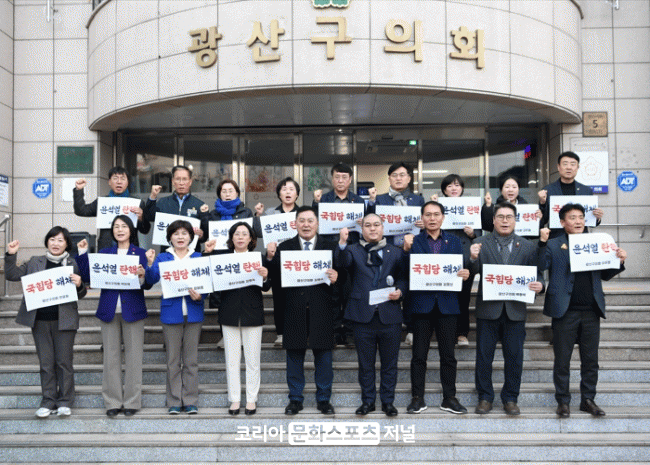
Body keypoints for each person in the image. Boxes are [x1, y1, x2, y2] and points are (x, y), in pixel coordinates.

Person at [537, 204, 626, 418]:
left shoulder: (596, 243)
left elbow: (605, 274)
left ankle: (588, 399)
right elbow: (539, 265)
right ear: (562, 222)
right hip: (564, 311)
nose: (578, 221)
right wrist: (541, 243)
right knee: (562, 360)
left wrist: (619, 261)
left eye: (580, 217)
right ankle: (563, 401)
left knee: (590, 360)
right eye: (572, 217)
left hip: (591, 310)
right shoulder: (554, 244)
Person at [469, 202, 544, 416]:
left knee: (514, 358)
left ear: (515, 220)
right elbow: (470, 271)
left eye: (509, 217)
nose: (504, 221)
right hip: (488, 310)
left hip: (515, 311)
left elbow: (536, 273)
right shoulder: (479, 243)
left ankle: (510, 398)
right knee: (484, 357)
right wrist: (472, 258)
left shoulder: (527, 246)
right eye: (500, 217)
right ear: (493, 220)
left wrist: (540, 285)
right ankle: (485, 397)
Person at [75, 216, 152, 417]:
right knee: (110, 358)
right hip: (109, 309)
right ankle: (112, 402)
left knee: (134, 358)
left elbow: (147, 284)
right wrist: (83, 253)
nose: (120, 230)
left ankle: (132, 401)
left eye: (124, 226)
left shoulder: (140, 253)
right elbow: (89, 277)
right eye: (116, 227)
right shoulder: (104, 253)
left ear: (131, 230)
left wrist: (143, 274)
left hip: (133, 310)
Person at [5, 227, 86, 418]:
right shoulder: (35, 261)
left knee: (64, 362)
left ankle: (65, 401)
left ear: (67, 244)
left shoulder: (72, 264)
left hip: (64, 321)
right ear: (47, 242)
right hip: (40, 320)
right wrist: (11, 255)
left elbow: (81, 293)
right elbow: (12, 274)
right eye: (52, 239)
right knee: (46, 363)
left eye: (60, 240)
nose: (55, 243)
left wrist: (79, 284)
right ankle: (48, 401)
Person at [265, 206, 339, 416]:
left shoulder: (330, 247)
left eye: (310, 221)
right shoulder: (285, 247)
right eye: (302, 221)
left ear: (318, 223)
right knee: (294, 357)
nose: (306, 225)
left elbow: (343, 279)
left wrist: (337, 278)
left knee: (324, 357)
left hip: (322, 309)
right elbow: (274, 280)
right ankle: (295, 399)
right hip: (293, 309)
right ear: (295, 224)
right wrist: (269, 258)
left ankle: (323, 399)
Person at [403, 201, 471, 415]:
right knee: (418, 356)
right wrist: (405, 250)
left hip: (447, 304)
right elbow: (404, 271)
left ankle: (449, 398)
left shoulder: (455, 241)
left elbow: (461, 269)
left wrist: (465, 273)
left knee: (448, 355)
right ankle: (417, 398)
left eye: (436, 214)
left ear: (443, 217)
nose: (432, 218)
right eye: (428, 215)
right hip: (421, 304)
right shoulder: (413, 241)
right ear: (422, 218)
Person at [338, 213, 407, 417]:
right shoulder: (352, 250)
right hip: (363, 316)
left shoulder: (395, 252)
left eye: (376, 224)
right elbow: (342, 264)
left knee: (390, 364)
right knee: (365, 365)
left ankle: (388, 402)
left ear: (383, 228)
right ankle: (367, 401)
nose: (372, 228)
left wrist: (400, 291)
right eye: (368, 225)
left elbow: (404, 277)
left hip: (389, 315)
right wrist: (342, 244)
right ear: (362, 229)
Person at [144, 220, 207, 415]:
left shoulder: (198, 257)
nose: (180, 237)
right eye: (176, 233)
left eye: (184, 233)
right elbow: (151, 279)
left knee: (191, 360)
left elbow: (206, 283)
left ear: (191, 237)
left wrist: (201, 296)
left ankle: (190, 400)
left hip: (193, 312)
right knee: (173, 360)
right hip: (171, 312)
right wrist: (149, 264)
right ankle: (174, 400)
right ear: (169, 237)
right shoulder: (163, 257)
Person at [207, 222, 270, 416]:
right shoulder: (222, 258)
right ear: (231, 238)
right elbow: (209, 277)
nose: (240, 237)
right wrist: (207, 253)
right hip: (229, 313)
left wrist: (265, 276)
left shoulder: (258, 258)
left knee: (253, 360)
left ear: (251, 239)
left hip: (253, 312)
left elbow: (266, 287)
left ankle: (251, 399)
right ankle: (234, 399)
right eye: (237, 234)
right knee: (231, 360)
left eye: (244, 234)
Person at [313, 162, 366, 346]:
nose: (341, 180)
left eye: (344, 177)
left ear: (350, 180)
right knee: (332, 294)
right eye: (337, 177)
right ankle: (335, 331)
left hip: (351, 252)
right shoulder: (324, 199)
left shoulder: (358, 201)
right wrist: (316, 203)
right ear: (332, 179)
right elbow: (314, 222)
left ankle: (350, 332)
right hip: (328, 251)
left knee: (350, 293)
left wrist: (363, 223)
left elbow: (368, 227)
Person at [198, 178, 254, 331]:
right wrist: (204, 216)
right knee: (222, 300)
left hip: (239, 259)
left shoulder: (245, 212)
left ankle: (242, 330)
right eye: (224, 191)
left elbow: (251, 234)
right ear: (219, 194)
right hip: (219, 261)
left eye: (231, 191)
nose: (227, 194)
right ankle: (225, 335)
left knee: (240, 296)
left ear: (237, 193)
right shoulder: (213, 214)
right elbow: (206, 235)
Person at [432, 174, 481, 346]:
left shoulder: (471, 206)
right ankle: (445, 333)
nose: (454, 188)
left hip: (465, 257)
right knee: (444, 296)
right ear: (444, 190)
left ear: (462, 189)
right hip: (443, 257)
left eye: (457, 185)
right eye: (450, 186)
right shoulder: (437, 206)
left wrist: (472, 233)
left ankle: (462, 333)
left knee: (463, 297)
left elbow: (479, 233)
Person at [254, 177, 301, 346]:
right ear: (279, 194)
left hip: (297, 262)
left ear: (297, 194)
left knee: (298, 299)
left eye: (291, 189)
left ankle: (298, 331)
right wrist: (258, 215)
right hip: (276, 261)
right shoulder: (271, 213)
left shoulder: (302, 214)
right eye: (284, 189)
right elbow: (258, 232)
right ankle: (281, 333)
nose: (288, 192)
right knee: (279, 300)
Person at [73, 166, 151, 250]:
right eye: (115, 178)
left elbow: (145, 230)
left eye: (123, 179)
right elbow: (81, 211)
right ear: (109, 182)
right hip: (106, 248)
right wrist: (79, 190)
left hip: (130, 249)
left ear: (128, 182)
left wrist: (141, 217)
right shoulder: (102, 202)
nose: (119, 182)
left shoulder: (136, 202)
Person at [538, 152, 604, 240]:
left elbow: (592, 223)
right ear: (558, 167)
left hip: (580, 238)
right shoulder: (548, 190)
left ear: (577, 167)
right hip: (557, 239)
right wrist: (542, 204)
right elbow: (543, 220)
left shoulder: (586, 190)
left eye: (573, 164)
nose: (569, 167)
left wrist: (597, 217)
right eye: (565, 164)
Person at [144, 165, 205, 248]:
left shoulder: (199, 205)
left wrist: (201, 235)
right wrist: (153, 196)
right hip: (167, 251)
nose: (181, 183)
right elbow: (148, 217)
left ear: (190, 182)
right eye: (178, 179)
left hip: (191, 253)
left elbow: (205, 235)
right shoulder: (163, 202)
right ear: (173, 181)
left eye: (184, 179)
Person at [367, 162, 425, 247]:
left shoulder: (418, 200)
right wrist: (372, 200)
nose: (398, 178)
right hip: (387, 246)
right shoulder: (380, 199)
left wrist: (424, 224)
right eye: (394, 175)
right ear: (389, 179)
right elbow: (368, 220)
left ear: (409, 179)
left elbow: (425, 222)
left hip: (413, 245)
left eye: (402, 175)